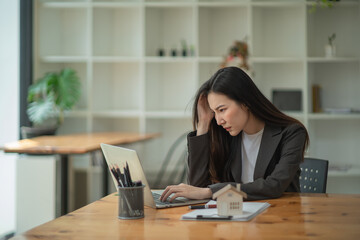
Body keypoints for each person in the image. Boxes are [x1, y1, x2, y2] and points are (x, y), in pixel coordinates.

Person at [160, 66, 309, 201]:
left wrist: (211, 192)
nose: (218, 121)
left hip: (282, 219)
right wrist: (204, 123)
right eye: (214, 112)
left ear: (245, 102)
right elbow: (197, 187)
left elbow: (274, 186)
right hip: (238, 220)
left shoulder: (292, 133)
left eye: (222, 110)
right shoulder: (226, 136)